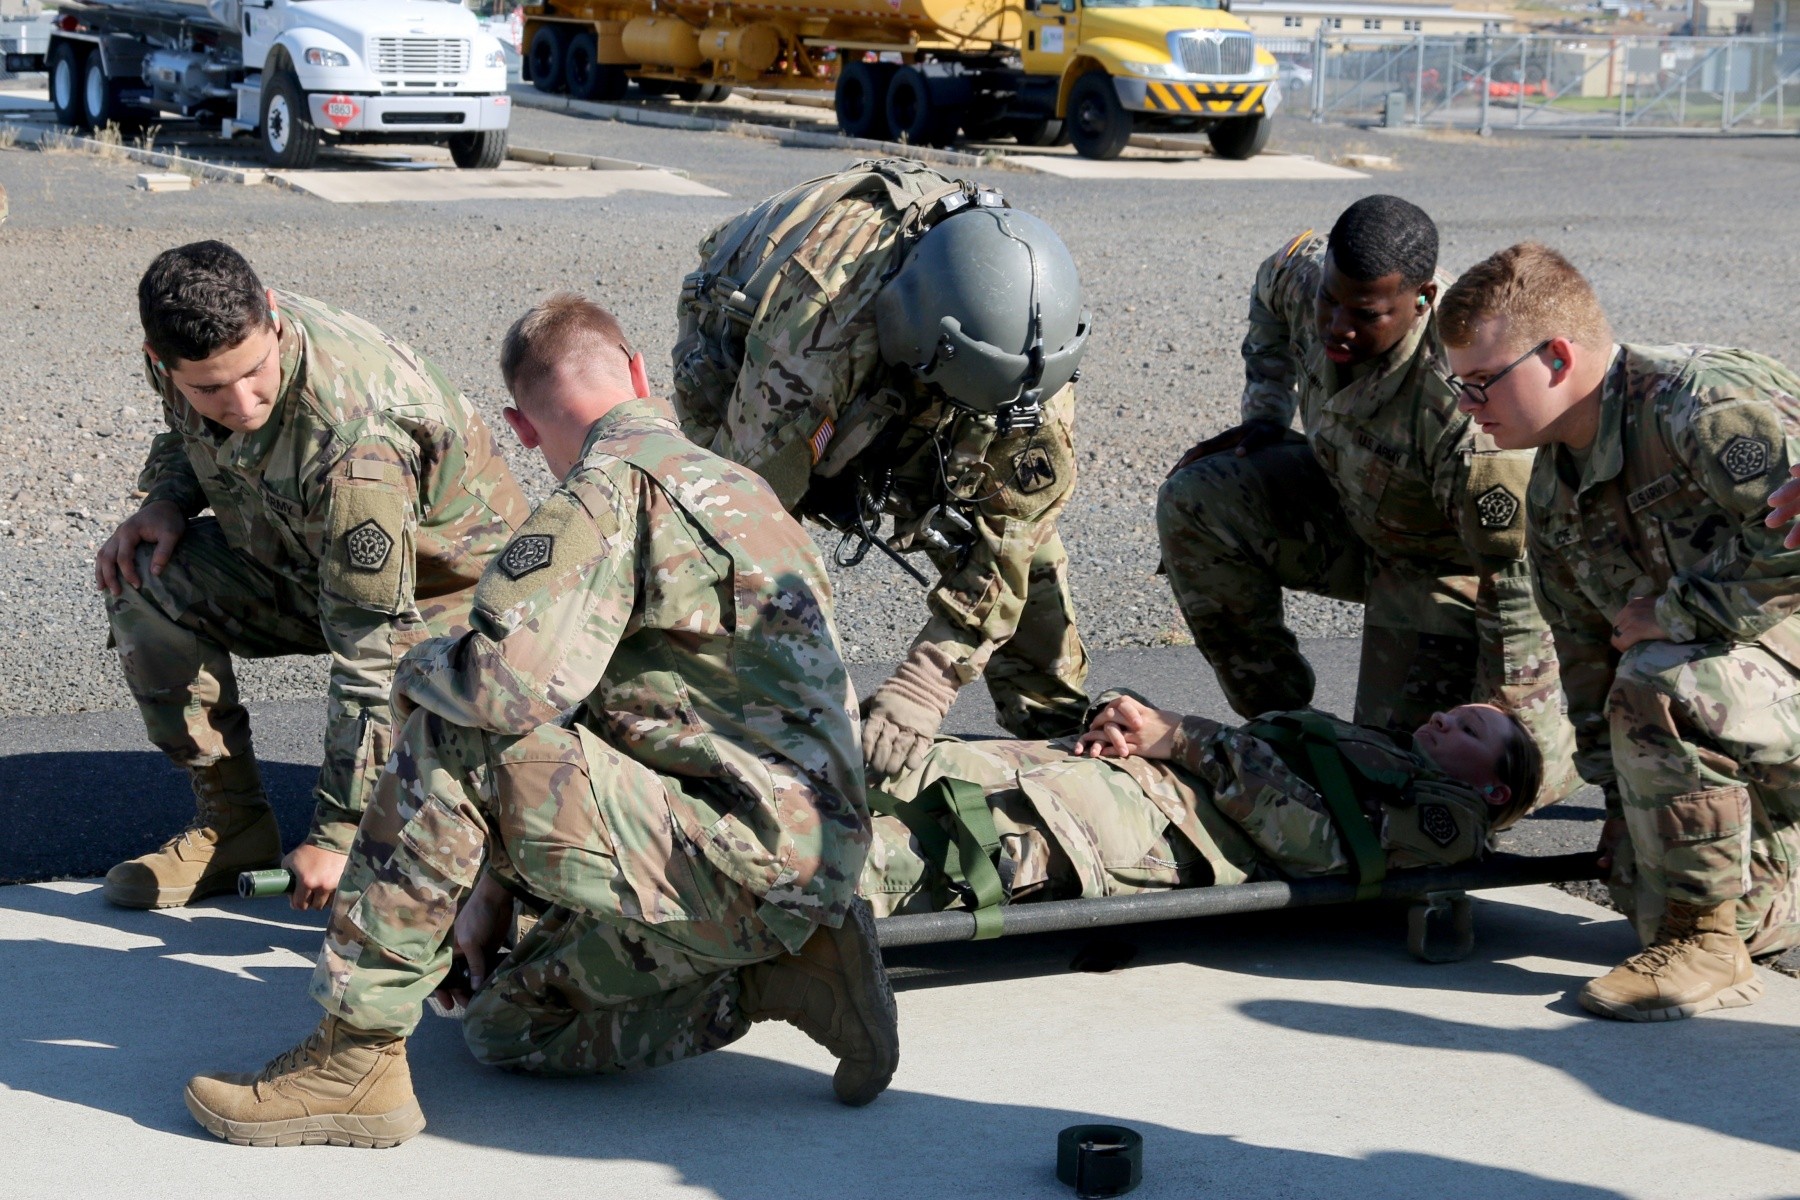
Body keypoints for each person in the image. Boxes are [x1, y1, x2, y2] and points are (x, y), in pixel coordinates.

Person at [184, 294, 896, 1149]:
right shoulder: (741, 485)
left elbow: (500, 698)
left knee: (448, 724)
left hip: (734, 852)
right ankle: (783, 973)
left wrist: (415, 672)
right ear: (639, 374)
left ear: (521, 428)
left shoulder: (604, 495)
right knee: (505, 1026)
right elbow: (613, 708)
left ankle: (355, 1058)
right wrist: (493, 885)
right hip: (805, 852)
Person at [96, 241, 528, 912]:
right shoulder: (188, 351)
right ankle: (233, 825)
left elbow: (370, 648)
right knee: (141, 580)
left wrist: (336, 829)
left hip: (445, 596)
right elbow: (186, 436)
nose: (241, 403)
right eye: (210, 387)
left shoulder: (356, 438)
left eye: (255, 372)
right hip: (300, 554)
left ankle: (471, 858)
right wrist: (165, 500)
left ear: (270, 314)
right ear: (162, 361)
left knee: (417, 877)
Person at [1438, 241, 1800, 1021]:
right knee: (1652, 890)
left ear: (1559, 357)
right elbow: (1584, 660)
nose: (1467, 406)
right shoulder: (1554, 490)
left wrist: (1673, 614)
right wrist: (1620, 803)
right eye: (1456, 385)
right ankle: (1729, 912)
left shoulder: (1701, 410)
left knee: (1664, 674)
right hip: (1754, 703)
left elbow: (1792, 556)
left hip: (1761, 680)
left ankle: (1705, 942)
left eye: (1480, 383)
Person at [670, 158, 1092, 780]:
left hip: (921, 365)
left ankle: (1058, 732)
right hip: (745, 352)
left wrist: (924, 685)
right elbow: (743, 520)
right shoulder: (818, 328)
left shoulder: (1035, 359)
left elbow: (1013, 533)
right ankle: (700, 726)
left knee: (1025, 550)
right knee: (734, 556)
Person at [1155, 196, 1573, 807]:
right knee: (1197, 496)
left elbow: (1513, 582)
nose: (1336, 327)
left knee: (1422, 781)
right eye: (1330, 301)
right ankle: (1282, 727)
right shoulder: (1307, 279)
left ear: (1423, 299)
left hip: (1446, 566)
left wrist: (1505, 720)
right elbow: (1272, 288)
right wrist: (1266, 415)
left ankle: (1584, 748)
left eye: (1366, 314)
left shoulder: (1464, 407)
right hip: (1352, 508)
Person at [860, 693, 1541, 919]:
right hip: (1134, 784)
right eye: (1452, 713)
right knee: (890, 763)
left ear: (1494, 791)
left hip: (1147, 828)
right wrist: (1133, 724)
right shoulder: (1384, 758)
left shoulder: (1447, 824)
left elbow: (1319, 848)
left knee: (912, 851)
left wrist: (1179, 738)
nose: (1446, 722)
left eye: (1471, 730)